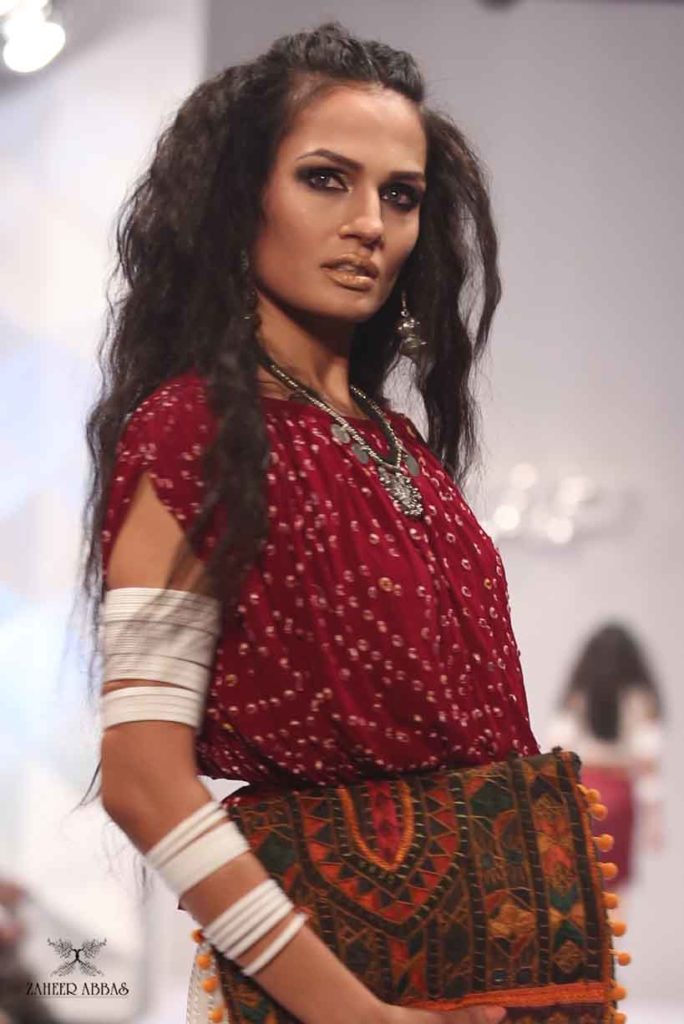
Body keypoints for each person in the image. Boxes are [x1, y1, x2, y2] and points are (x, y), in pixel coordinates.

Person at [78, 20, 543, 1024]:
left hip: (505, 967)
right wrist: (352, 1015)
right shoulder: (196, 427)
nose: (370, 223)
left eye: (401, 195)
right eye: (326, 179)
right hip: (339, 990)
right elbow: (142, 779)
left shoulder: (396, 439)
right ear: (237, 197)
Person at [547, 622, 665, 896]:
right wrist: (654, 817)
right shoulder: (640, 700)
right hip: (621, 794)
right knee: (614, 889)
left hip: (584, 793)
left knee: (576, 883)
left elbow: (558, 746)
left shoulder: (576, 697)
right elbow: (647, 760)